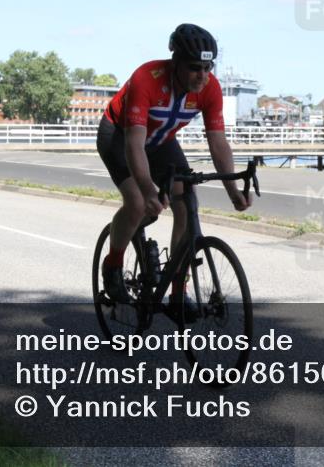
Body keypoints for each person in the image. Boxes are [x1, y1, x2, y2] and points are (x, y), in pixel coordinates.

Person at [96, 23, 251, 316]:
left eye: (208, 67)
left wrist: (233, 190)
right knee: (139, 202)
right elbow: (133, 144)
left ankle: (179, 290)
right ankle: (113, 264)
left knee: (187, 201)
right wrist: (147, 187)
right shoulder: (147, 78)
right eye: (195, 67)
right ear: (175, 62)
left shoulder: (210, 88)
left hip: (161, 140)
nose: (203, 75)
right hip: (119, 136)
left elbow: (217, 143)